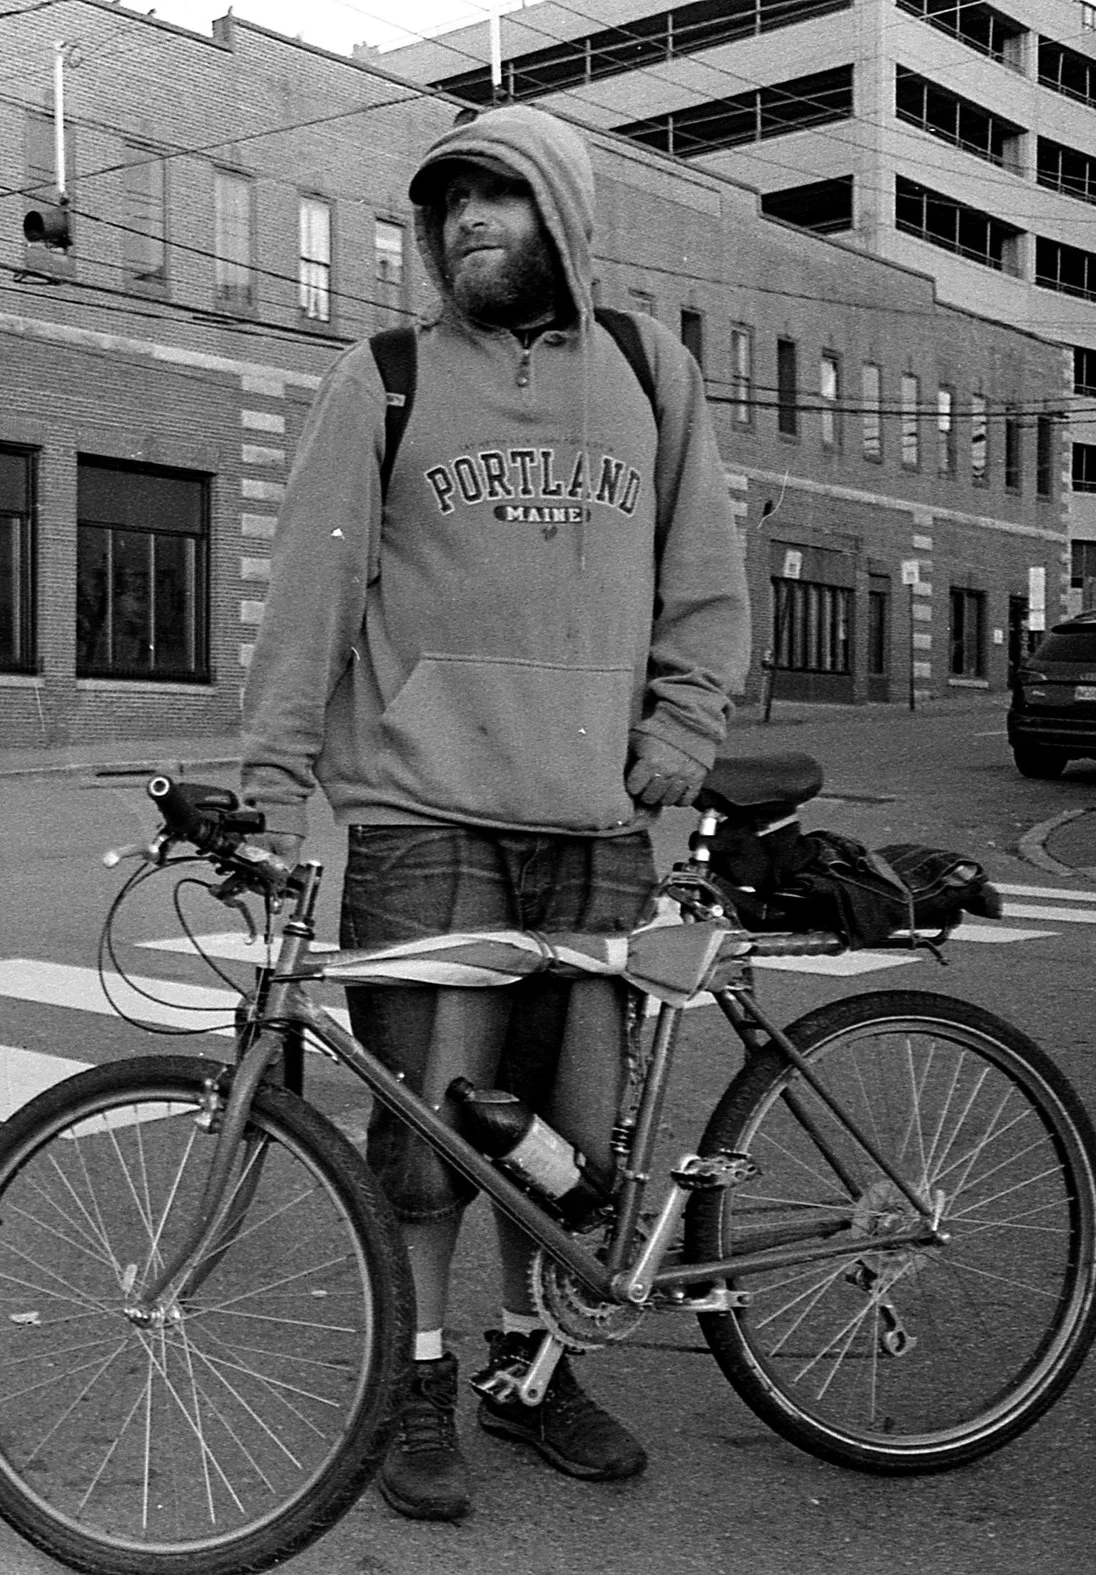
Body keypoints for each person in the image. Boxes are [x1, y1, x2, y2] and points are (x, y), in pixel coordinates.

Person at [237, 104, 750, 1522]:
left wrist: (683, 725)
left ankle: (527, 1371)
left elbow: (704, 573)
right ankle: (420, 1373)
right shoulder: (385, 378)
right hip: (426, 814)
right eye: (451, 201)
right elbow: (312, 601)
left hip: (593, 821)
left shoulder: (653, 372)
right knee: (427, 1142)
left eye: (500, 197)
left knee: (562, 1142)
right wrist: (274, 785)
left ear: (562, 220)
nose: (470, 221)